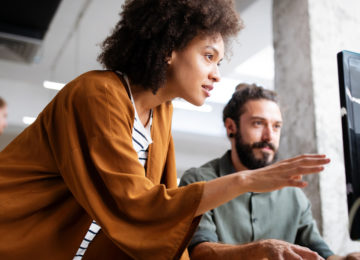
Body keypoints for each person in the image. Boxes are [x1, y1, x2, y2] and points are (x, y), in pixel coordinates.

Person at [0, 1, 330, 259]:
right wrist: (246, 181)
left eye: (219, 62)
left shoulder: (161, 112)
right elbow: (136, 204)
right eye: (209, 56)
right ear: (169, 48)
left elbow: (163, 212)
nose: (216, 74)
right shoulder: (97, 94)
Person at [180, 84, 360, 260]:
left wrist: (345, 259)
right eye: (258, 123)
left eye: (276, 126)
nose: (269, 136)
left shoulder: (293, 193)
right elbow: (198, 252)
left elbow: (320, 252)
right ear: (230, 127)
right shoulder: (198, 181)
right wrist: (261, 249)